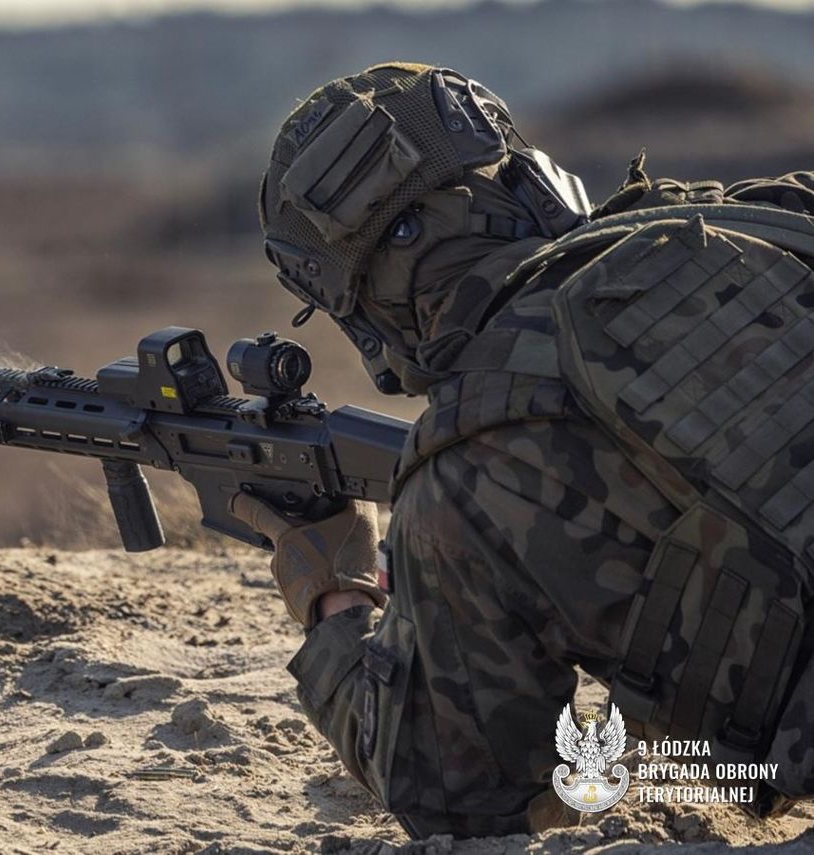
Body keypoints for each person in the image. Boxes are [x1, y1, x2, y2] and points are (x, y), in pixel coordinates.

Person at [227, 61, 814, 838]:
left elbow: (454, 791)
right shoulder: (769, 216)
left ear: (371, 304)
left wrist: (330, 589)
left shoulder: (469, 472)